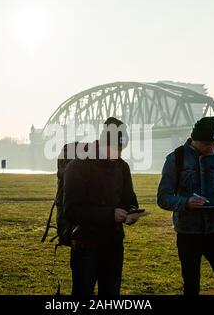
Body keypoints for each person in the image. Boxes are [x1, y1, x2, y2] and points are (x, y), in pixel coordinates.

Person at [157, 116, 214, 295]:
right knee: (191, 286)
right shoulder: (175, 158)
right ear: (194, 140)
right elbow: (163, 198)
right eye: (207, 144)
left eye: (213, 143)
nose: (211, 148)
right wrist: (186, 202)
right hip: (187, 234)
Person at [63, 117, 139, 295]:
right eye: (115, 149)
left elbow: (129, 199)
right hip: (85, 246)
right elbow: (71, 210)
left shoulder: (122, 166)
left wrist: (132, 212)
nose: (118, 154)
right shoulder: (78, 166)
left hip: (114, 245)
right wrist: (110, 214)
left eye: (121, 149)